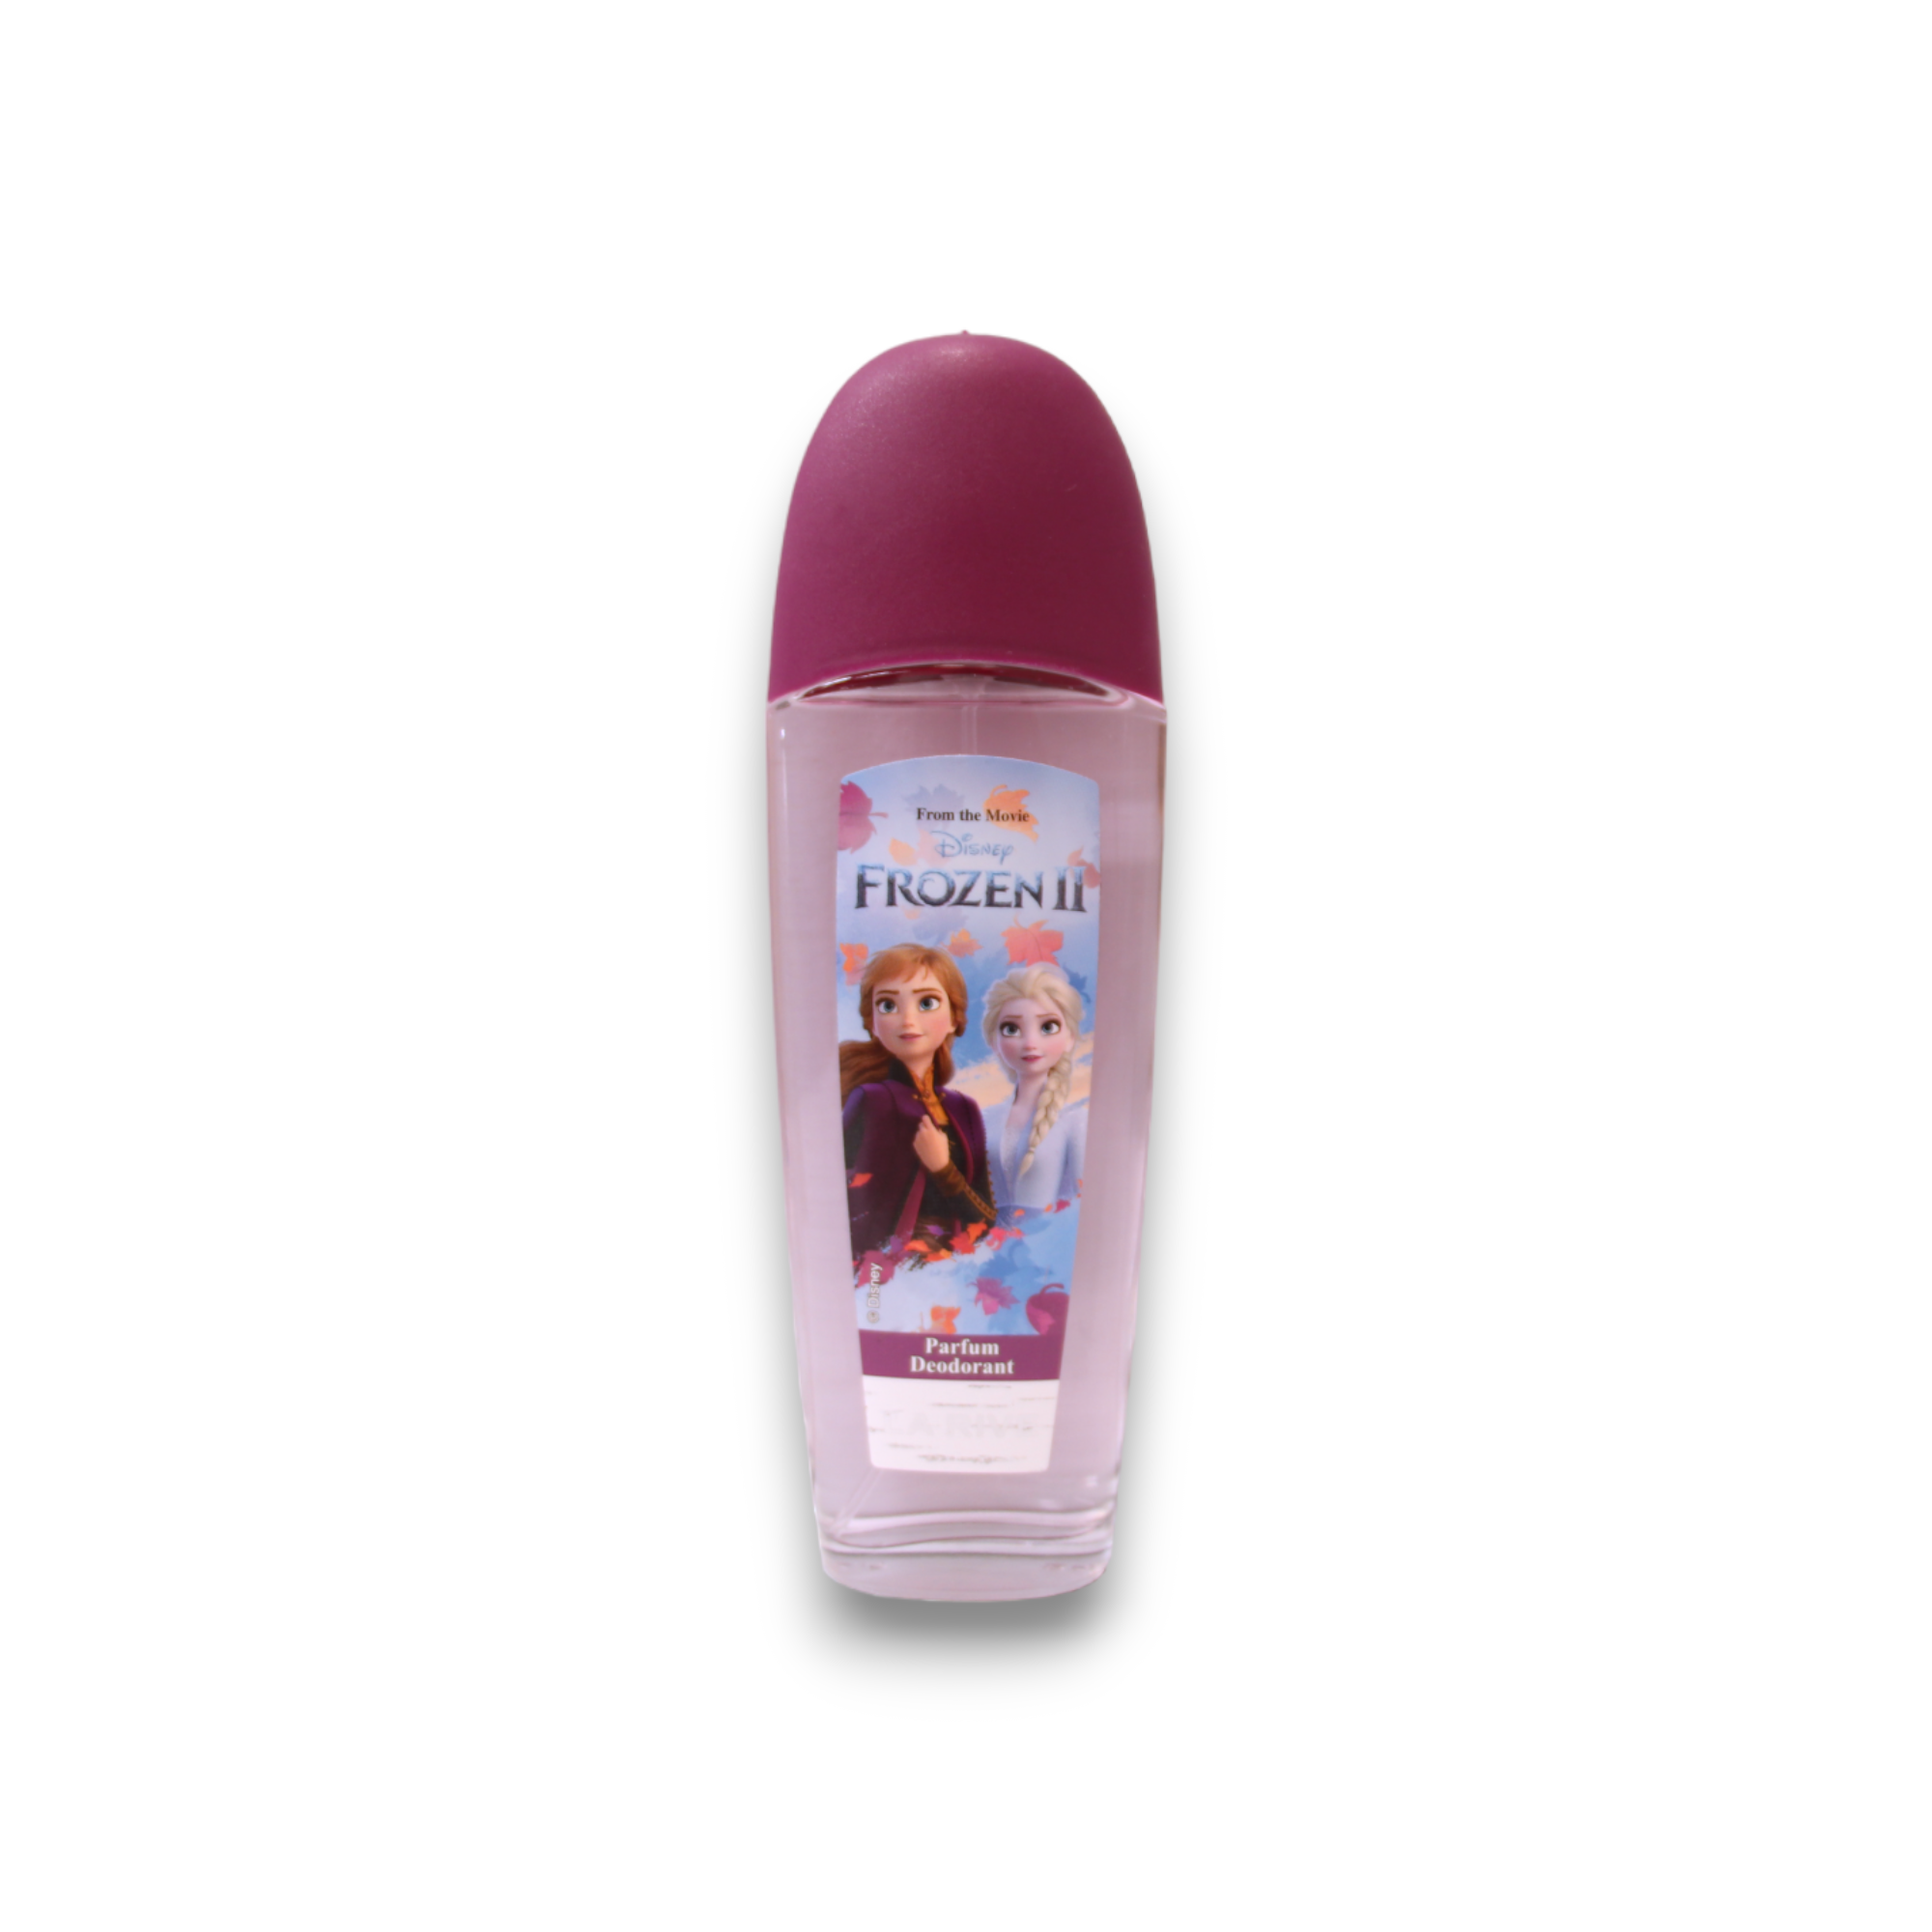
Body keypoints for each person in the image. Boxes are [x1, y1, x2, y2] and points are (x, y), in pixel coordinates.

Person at [840, 946, 995, 1272]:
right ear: (872, 1022)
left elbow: (984, 1219)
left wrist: (943, 1169)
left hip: (956, 1270)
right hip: (886, 1271)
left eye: (927, 1003)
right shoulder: (871, 1100)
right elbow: (837, 1199)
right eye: (888, 1005)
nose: (908, 1020)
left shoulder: (964, 1108)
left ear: (954, 1018)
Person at [980, 965, 1087, 1219]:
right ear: (994, 1041)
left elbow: (1083, 1206)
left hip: (1049, 1240)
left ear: (1070, 1038)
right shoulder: (983, 1119)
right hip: (984, 1239)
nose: (1030, 1043)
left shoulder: (1076, 1121)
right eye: (1011, 1029)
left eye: (1047, 1027)